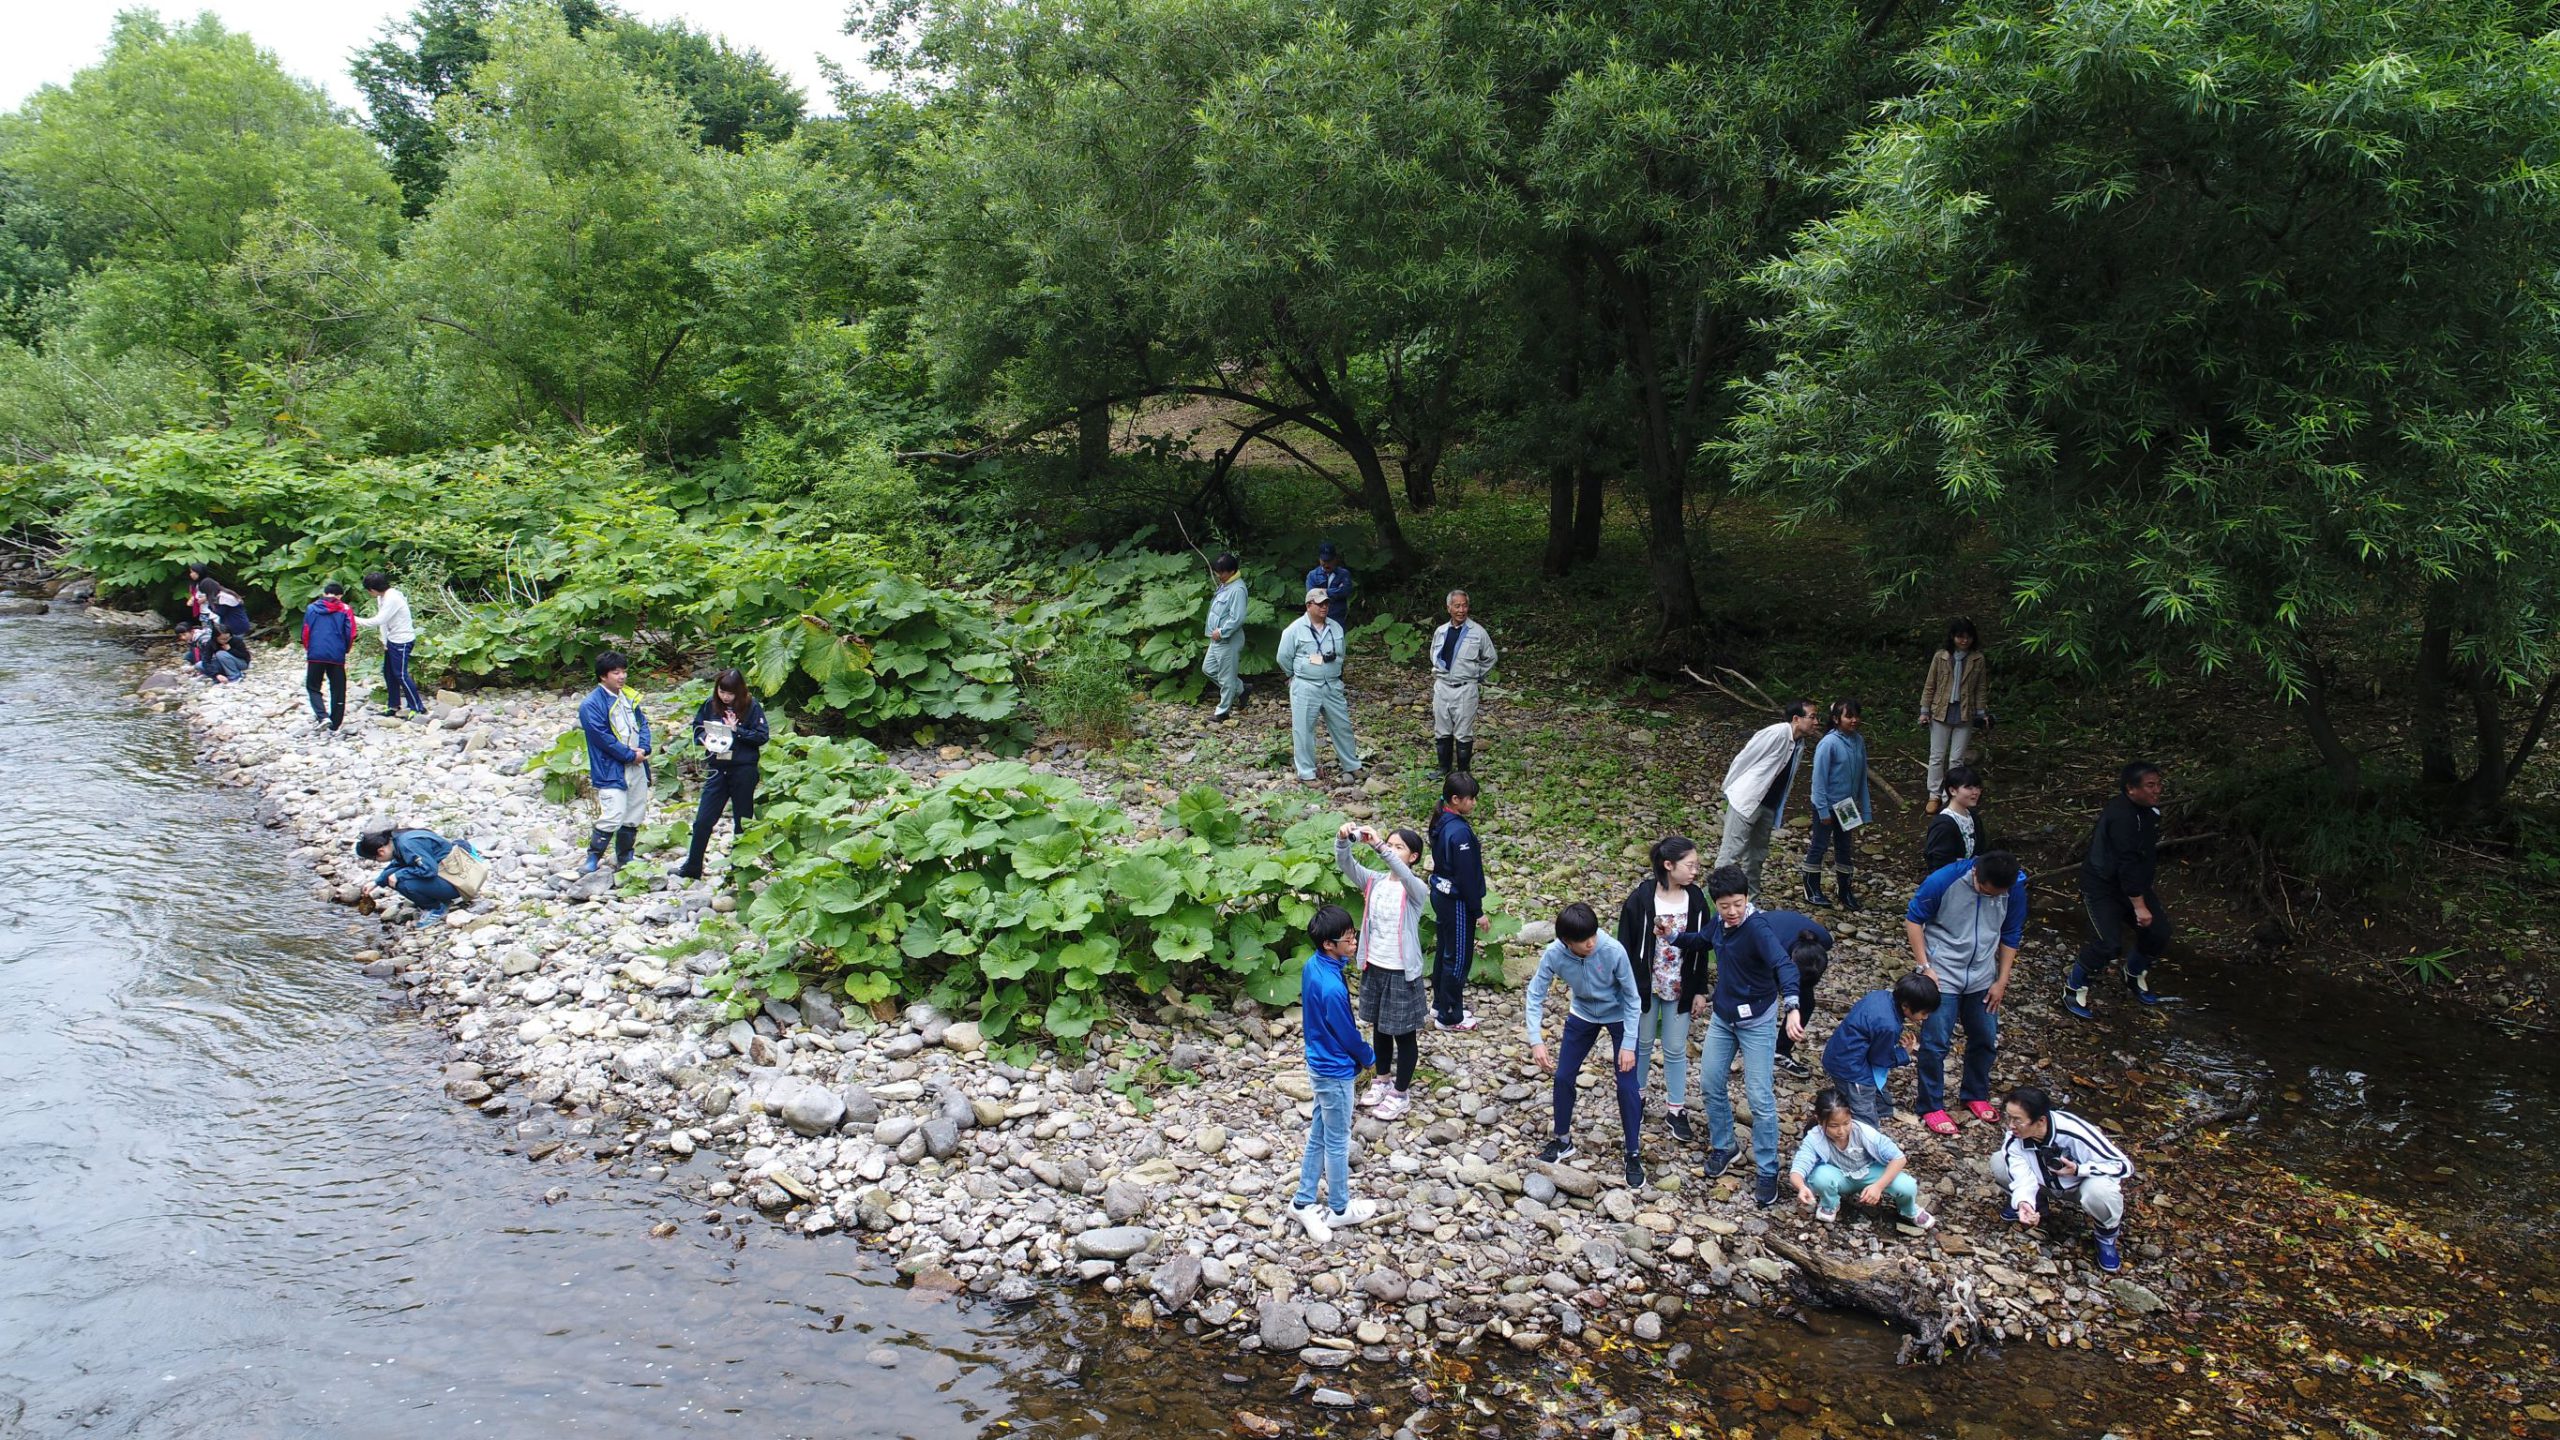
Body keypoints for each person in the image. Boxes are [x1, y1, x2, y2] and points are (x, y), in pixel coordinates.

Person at [1665, 865, 1805, 1208]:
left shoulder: (1757, 928)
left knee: (1759, 1098)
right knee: (1711, 1082)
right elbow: (1701, 941)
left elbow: (1784, 965)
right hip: (1724, 1017)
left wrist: (1794, 1007)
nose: (1732, 912)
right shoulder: (1720, 923)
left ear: (1747, 899)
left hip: (1757, 1019)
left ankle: (1768, 1169)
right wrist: (1670, 936)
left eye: (1738, 904)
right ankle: (1725, 1145)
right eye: (1725, 905)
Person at [1903, 850, 2027, 1136]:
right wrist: (1925, 967)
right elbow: (1914, 919)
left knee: (1985, 1037)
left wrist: (2001, 980)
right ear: (1976, 875)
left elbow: (2011, 933)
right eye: (1986, 891)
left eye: (1999, 893)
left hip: (1983, 974)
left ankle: (1974, 1093)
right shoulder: (1944, 880)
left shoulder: (2014, 887)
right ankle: (1930, 1105)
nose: (1992, 896)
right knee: (1935, 1043)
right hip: (1943, 971)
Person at [1525, 901, 1647, 1189]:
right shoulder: (1554, 953)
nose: (1591, 943)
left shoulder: (1612, 950)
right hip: (1582, 1013)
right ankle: (1563, 1141)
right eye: (1583, 940)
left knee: (1627, 1084)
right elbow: (1535, 994)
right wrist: (1536, 1040)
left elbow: (1633, 999)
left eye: (1593, 935)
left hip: (1618, 1015)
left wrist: (1629, 1043)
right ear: (1567, 942)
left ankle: (1632, 1152)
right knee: (1564, 1075)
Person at [1291, 903, 1381, 1243]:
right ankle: (1340, 1209)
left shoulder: (1314, 966)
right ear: (1329, 944)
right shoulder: (1331, 987)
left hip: (1319, 1061)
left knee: (1319, 1132)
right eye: (1348, 938)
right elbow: (1346, 1032)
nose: (1354, 941)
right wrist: (1369, 1057)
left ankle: (1302, 1201)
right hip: (1334, 1070)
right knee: (1338, 1140)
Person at [1617, 836, 1711, 1142]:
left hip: (1680, 986)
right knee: (1641, 1044)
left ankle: (1676, 1108)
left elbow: (1703, 948)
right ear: (1668, 865)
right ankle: (1638, 1098)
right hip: (1646, 985)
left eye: (1697, 865)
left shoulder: (1696, 900)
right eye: (1690, 865)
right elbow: (1625, 945)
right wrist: (1625, 986)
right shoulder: (1641, 897)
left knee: (1674, 1048)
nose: (1695, 871)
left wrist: (1700, 990)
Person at [1337, 823, 1430, 1120]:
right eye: (1389, 844)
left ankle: (1401, 1093)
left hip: (1402, 970)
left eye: (1398, 846)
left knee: (1403, 1034)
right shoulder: (1375, 881)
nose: (1391, 849)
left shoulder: (1416, 888)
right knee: (1378, 1026)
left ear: (1413, 857)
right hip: (1374, 964)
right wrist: (1343, 840)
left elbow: (1401, 874)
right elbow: (1345, 864)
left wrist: (1379, 846)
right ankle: (1382, 1080)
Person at [2067, 762, 2172, 1019]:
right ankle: (2074, 987)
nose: (2157, 790)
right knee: (2107, 943)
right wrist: (2138, 905)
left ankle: (2134, 973)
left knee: (2158, 932)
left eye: (2158, 784)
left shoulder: (2149, 812)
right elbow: (2125, 862)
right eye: (2150, 785)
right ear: (2131, 788)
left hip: (2135, 884)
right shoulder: (2122, 817)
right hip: (2103, 886)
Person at [1992, 1085, 2135, 1273]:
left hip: (2079, 1186)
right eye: (2008, 1117)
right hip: (2045, 1183)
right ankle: (2037, 1204)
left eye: (2017, 1120)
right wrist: (2024, 1202)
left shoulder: (2074, 1132)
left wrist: (2079, 1169)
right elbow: (2021, 1175)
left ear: (2040, 1121)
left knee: (2100, 1192)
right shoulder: (2015, 1138)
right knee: (1999, 1162)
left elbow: (2123, 1166)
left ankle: (2106, 1235)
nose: (2011, 1126)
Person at [1712, 701, 1821, 899]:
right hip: (1746, 800)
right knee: (1731, 853)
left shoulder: (1799, 743)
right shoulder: (1777, 733)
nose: (1816, 722)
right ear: (1796, 719)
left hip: (1769, 805)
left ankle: (1749, 903)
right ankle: (1714, 902)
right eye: (1812, 717)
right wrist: (1729, 788)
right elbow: (1745, 758)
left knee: (1756, 857)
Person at [1791, 1087, 1936, 1229]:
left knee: (1907, 1186)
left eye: (1846, 1123)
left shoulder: (1864, 1132)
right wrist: (1801, 1187)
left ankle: (1908, 1210)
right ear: (1819, 1121)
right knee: (1819, 1176)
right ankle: (1830, 1204)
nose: (1841, 1131)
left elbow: (1899, 1158)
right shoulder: (1814, 1137)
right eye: (1833, 1126)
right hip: (1839, 1175)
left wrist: (1878, 1186)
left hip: (1870, 1173)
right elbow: (1799, 1167)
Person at [677, 668, 769, 880]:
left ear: (739, 691)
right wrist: (703, 737)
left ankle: (739, 868)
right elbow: (697, 726)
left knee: (742, 821)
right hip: (717, 768)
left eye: (730, 693)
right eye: (722, 691)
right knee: (703, 820)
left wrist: (738, 730)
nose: (725, 697)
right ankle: (692, 868)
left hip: (743, 769)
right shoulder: (711, 705)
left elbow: (762, 736)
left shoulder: (751, 707)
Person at [1820, 973, 1942, 1126]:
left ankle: (1883, 1109)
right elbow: (1880, 1059)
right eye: (1923, 1013)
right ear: (1906, 1006)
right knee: (1862, 1105)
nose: (1926, 1017)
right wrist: (1904, 1053)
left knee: (1876, 1085)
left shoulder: (1880, 995)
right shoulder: (1888, 1025)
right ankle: (1868, 1135)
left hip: (1839, 1052)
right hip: (1850, 1068)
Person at [1275, 586, 1360, 784]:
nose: (1324, 607)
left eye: (1327, 603)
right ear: (1308, 605)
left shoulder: (1335, 627)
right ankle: (1306, 773)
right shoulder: (1294, 629)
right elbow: (1283, 657)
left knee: (1343, 726)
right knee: (1303, 729)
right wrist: (1294, 676)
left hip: (1332, 685)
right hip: (1305, 685)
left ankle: (1352, 765)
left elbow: (1341, 653)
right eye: (1320, 604)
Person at [578, 650, 652, 873]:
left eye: (623, 671)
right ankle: (593, 857)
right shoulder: (590, 705)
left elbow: (643, 724)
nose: (622, 676)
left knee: (634, 811)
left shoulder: (628, 697)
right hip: (611, 768)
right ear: (603, 676)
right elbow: (603, 739)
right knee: (613, 813)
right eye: (616, 672)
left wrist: (645, 748)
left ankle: (625, 857)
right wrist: (630, 755)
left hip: (637, 764)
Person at [1427, 772, 1488, 1031]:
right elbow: (1466, 877)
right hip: (1457, 901)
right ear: (1455, 799)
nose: (1473, 803)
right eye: (1470, 798)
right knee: (1459, 957)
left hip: (1441, 892)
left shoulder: (1441, 821)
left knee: (1445, 950)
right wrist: (1478, 911)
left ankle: (1440, 1002)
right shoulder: (1459, 833)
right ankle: (1450, 1016)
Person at [1803, 698, 1871, 910]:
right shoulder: (1828, 743)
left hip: (1847, 805)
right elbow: (1818, 780)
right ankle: (1811, 889)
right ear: (1836, 719)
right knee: (1820, 845)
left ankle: (1845, 890)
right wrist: (1822, 809)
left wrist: (1865, 810)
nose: (1854, 720)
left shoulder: (1858, 741)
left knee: (1844, 847)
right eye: (1848, 716)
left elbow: (1862, 778)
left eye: (1856, 716)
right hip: (1827, 804)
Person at [1917, 618, 1989, 812]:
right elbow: (1930, 684)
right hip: (1940, 710)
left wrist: (1981, 713)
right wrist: (1924, 710)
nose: (1964, 641)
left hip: (1966, 712)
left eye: (1968, 637)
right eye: (1960, 637)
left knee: (1956, 759)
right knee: (1937, 756)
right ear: (1953, 637)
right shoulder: (1941, 656)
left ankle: (1949, 795)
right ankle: (1934, 794)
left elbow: (1981, 687)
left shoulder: (1977, 659)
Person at [1428, 589, 1497, 776]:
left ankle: (1463, 772)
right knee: (1442, 729)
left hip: (1466, 688)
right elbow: (1433, 654)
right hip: (1442, 686)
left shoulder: (1478, 632)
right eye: (1457, 606)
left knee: (1463, 731)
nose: (1461, 610)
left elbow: (1490, 658)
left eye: (1464, 605)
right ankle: (1444, 768)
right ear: (1449, 608)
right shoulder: (1441, 631)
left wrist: (1476, 675)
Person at [355, 826, 466, 924]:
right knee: (394, 876)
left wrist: (399, 875)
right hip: (451, 874)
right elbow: (398, 864)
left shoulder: (407, 844)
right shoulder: (398, 839)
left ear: (381, 852)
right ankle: (437, 898)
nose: (378, 862)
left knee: (402, 882)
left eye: (375, 859)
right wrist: (376, 882)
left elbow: (429, 870)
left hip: (459, 883)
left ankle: (436, 909)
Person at [355, 570, 425, 720]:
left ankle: (417, 707)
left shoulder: (392, 598)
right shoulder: (382, 597)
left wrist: (353, 618)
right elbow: (384, 624)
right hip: (392, 640)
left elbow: (378, 620)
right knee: (388, 673)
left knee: (400, 674)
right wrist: (385, 641)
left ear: (372, 590)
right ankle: (393, 705)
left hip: (402, 640)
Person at [1771, 920, 1835, 1079]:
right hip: (1761, 942)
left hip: (1794, 954)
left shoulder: (1823, 941)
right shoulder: (1772, 946)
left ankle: (1781, 1052)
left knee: (1806, 1003)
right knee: (1764, 1001)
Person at [300, 582, 356, 732]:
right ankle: (335, 723)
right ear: (340, 595)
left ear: (324, 593)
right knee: (338, 687)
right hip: (336, 654)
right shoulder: (345, 609)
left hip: (316, 653)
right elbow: (350, 633)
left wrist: (309, 648)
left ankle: (322, 716)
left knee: (313, 686)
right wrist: (345, 649)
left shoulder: (312, 608)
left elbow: (306, 631)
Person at [1201, 552, 1249, 721]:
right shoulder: (1225, 585)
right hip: (1216, 639)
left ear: (1232, 571)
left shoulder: (1237, 589)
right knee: (1208, 669)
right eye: (1217, 572)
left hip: (1228, 639)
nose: (1219, 576)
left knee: (1226, 677)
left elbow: (1238, 618)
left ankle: (1222, 712)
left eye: (1222, 572)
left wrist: (1221, 632)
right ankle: (1241, 689)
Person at [1921, 763, 1987, 870]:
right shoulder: (1944, 825)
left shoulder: (1973, 817)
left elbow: (1981, 851)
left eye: (1978, 787)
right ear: (1952, 791)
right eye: (1969, 788)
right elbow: (1938, 863)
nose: (1976, 792)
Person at [193, 578, 252, 661]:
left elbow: (220, 612)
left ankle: (240, 661)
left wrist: (209, 603)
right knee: (234, 645)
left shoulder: (224, 597)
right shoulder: (225, 592)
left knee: (234, 645)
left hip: (236, 624)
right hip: (239, 622)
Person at [1305, 541, 1354, 629]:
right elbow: (1312, 595)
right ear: (1319, 559)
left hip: (1338, 618)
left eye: (1329, 560)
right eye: (1324, 560)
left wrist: (1325, 591)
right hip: (1318, 618)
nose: (1326, 564)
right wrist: (1337, 591)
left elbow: (1346, 591)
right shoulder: (1312, 575)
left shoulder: (1344, 574)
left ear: (1335, 559)